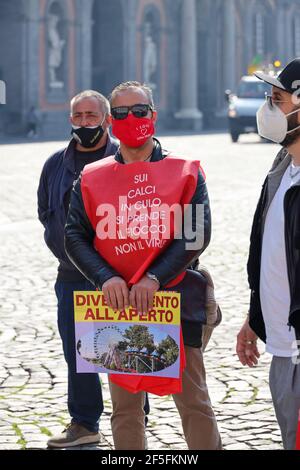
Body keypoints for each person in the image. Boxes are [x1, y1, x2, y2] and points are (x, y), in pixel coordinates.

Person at [65, 81, 222, 450]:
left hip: (174, 299)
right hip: (116, 305)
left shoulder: (186, 171)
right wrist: (105, 277)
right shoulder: (91, 177)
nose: (130, 118)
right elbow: (74, 235)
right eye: (121, 113)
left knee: (194, 402)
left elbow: (196, 234)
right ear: (111, 122)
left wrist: (155, 277)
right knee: (125, 409)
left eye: (139, 111)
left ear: (152, 115)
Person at [37, 90, 119, 448]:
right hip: (71, 274)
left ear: (106, 119)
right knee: (78, 354)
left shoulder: (124, 158)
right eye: (78, 116)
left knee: (124, 348)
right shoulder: (56, 162)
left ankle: (133, 421)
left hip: (120, 276)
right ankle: (85, 423)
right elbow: (45, 210)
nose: (84, 123)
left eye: (91, 115)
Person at [236, 59, 300, 450]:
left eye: (276, 98)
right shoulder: (281, 169)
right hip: (282, 346)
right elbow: (273, 254)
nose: (267, 108)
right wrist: (255, 316)